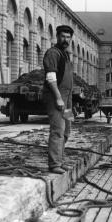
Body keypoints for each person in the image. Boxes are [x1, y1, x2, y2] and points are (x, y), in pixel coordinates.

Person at [43, 25, 74, 174]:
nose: (65, 39)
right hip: (56, 97)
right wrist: (58, 98)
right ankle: (54, 164)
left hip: (67, 99)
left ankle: (60, 161)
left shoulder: (66, 54)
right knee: (58, 130)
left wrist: (67, 100)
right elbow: (51, 77)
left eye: (68, 37)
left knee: (67, 129)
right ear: (57, 36)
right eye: (63, 36)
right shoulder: (53, 53)